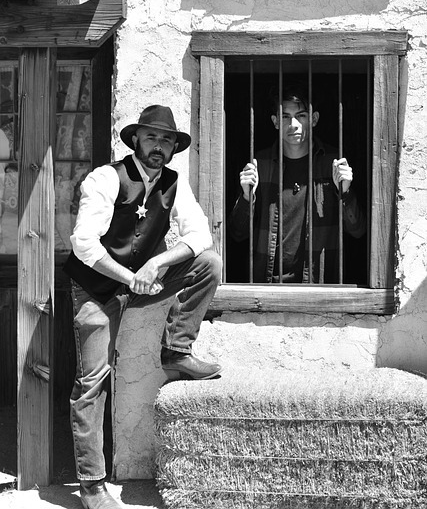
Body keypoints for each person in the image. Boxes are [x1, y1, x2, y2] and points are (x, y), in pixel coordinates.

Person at [63, 105, 222, 509]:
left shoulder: (174, 183)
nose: (158, 146)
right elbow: (83, 244)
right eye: (151, 137)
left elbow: (199, 235)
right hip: (97, 288)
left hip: (142, 281)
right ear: (136, 139)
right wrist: (127, 276)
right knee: (92, 381)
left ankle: (176, 350)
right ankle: (92, 486)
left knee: (208, 263)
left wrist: (156, 263)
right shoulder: (106, 178)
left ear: (173, 147)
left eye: (166, 140)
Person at [228, 85, 366, 284]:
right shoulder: (260, 164)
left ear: (314, 119)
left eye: (301, 115)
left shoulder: (334, 163)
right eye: (285, 117)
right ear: (275, 122)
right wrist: (247, 197)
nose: (293, 124)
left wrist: (345, 192)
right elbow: (237, 234)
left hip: (319, 285)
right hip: (267, 285)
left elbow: (358, 230)